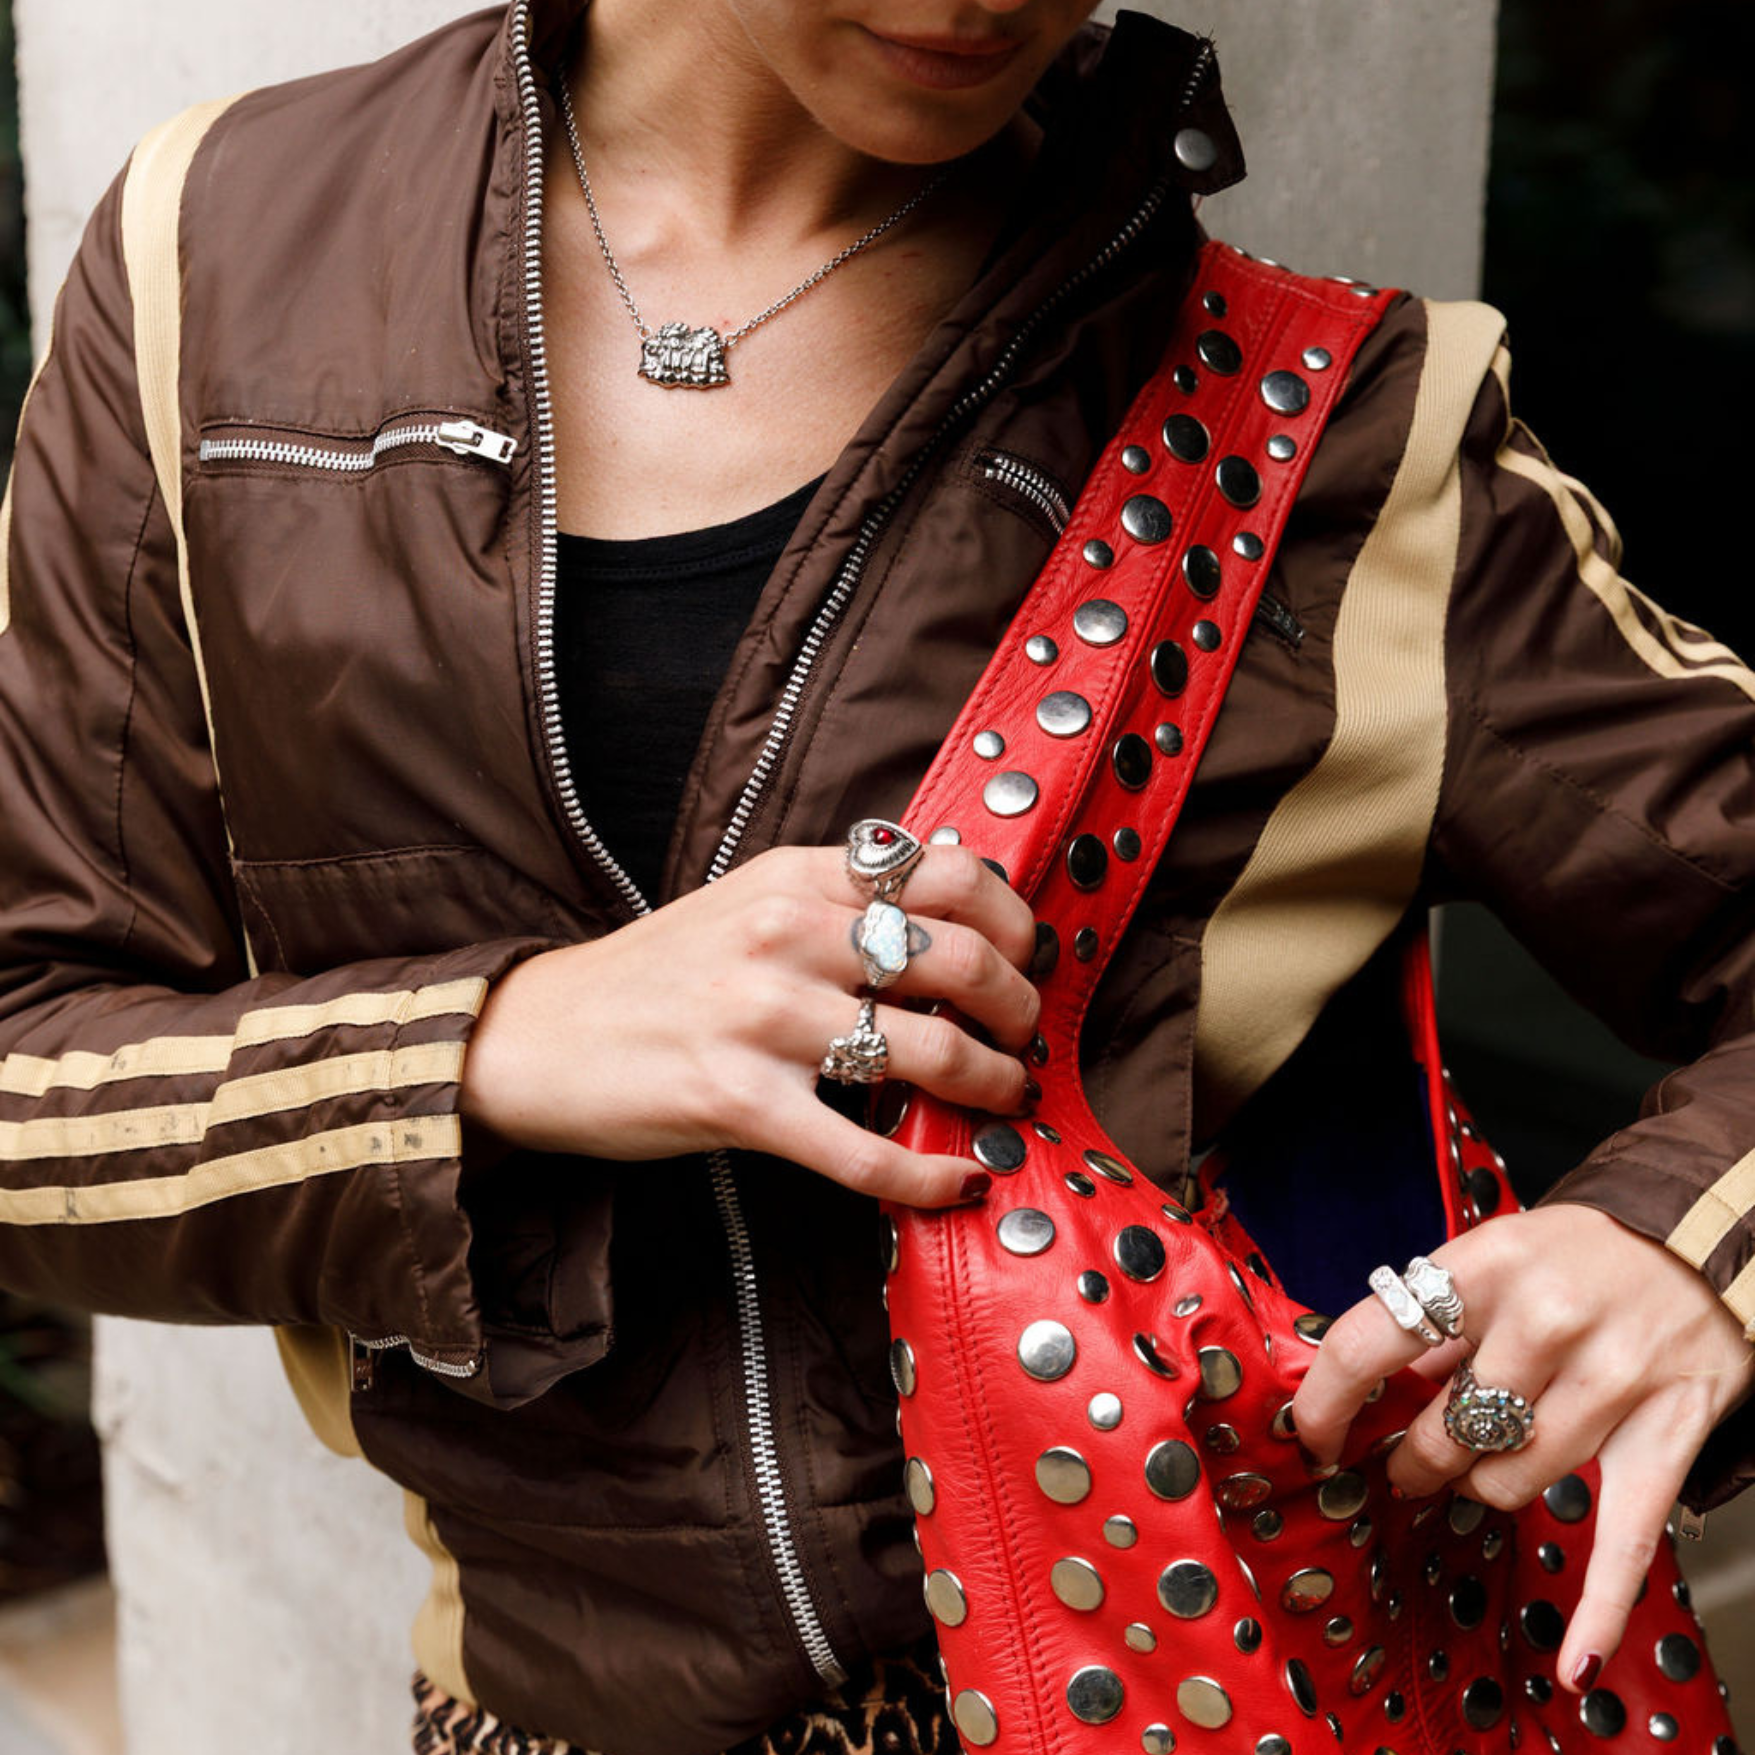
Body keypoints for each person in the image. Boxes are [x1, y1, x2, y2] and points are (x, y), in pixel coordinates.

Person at [0, 1, 1752, 1750]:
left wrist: (1680, 1247)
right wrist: (494, 1046)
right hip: (547, 1705)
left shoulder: (1327, 432)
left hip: (1218, 1692)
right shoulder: (226, 256)